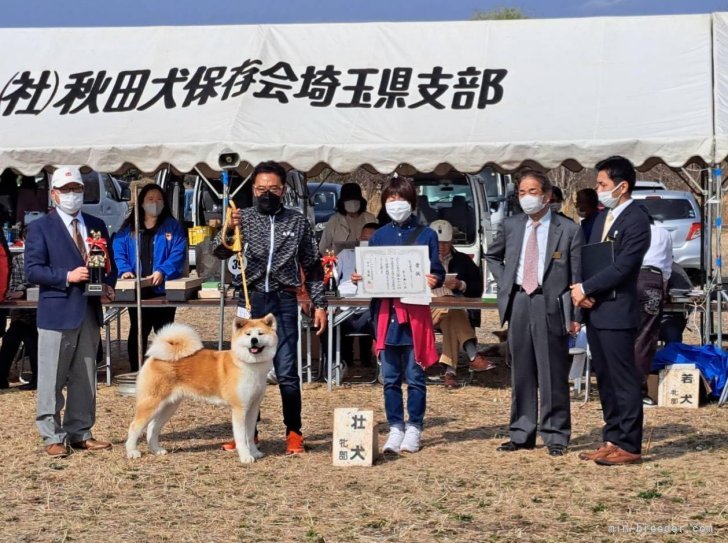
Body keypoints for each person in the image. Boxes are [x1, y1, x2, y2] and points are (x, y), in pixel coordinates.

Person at [213, 161, 327, 455]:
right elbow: (219, 251)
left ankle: (294, 433)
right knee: (245, 370)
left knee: (287, 370)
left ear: (283, 190)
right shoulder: (243, 218)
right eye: (261, 188)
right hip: (249, 299)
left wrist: (319, 303)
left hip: (283, 300)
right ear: (253, 189)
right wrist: (229, 228)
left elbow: (312, 265)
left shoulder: (297, 221)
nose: (267, 193)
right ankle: (248, 433)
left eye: (273, 188)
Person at [485, 170, 583, 457]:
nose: (527, 197)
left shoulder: (568, 230)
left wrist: (576, 314)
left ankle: (555, 433)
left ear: (547, 195)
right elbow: (493, 255)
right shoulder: (512, 225)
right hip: (519, 300)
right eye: (521, 193)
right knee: (521, 369)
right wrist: (505, 280)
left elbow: (577, 274)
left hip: (549, 302)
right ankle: (521, 431)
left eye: (532, 191)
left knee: (552, 370)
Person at [25, 166, 116, 458]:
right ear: (54, 195)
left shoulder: (96, 224)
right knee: (51, 376)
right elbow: (33, 270)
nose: (72, 195)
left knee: (85, 375)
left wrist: (108, 286)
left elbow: (108, 265)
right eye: (66, 190)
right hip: (57, 311)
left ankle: (80, 431)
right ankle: (52, 435)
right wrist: (66, 276)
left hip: (89, 311)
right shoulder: (41, 228)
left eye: (76, 189)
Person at [352, 176, 445, 454]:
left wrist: (433, 279)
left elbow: (438, 271)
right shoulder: (379, 235)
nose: (396, 204)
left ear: (412, 202)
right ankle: (395, 426)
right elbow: (372, 274)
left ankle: (414, 426)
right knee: (390, 378)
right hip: (386, 314)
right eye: (391, 199)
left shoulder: (427, 234)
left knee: (416, 377)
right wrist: (362, 276)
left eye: (401, 198)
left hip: (414, 314)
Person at [571, 156, 651, 466]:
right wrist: (584, 290)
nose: (598, 189)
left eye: (603, 184)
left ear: (622, 185)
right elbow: (592, 258)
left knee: (623, 379)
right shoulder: (604, 218)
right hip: (597, 309)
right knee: (604, 378)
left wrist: (587, 288)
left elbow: (623, 266)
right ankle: (612, 437)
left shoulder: (636, 219)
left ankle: (629, 444)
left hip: (618, 310)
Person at [113, 182, 187, 372]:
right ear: (142, 203)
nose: (155, 203)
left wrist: (163, 270)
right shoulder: (130, 227)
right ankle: (136, 370)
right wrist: (125, 270)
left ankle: (167, 370)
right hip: (138, 289)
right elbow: (119, 249)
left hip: (164, 291)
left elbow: (178, 253)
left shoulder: (173, 226)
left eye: (159, 199)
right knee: (138, 330)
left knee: (165, 332)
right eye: (150, 199)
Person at [429, 219, 494, 389]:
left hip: (453, 307)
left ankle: (450, 373)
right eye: (438, 243)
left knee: (452, 314)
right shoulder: (421, 260)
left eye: (446, 243)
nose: (442, 247)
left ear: (452, 242)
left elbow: (477, 286)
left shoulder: (463, 260)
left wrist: (460, 285)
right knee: (454, 311)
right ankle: (473, 356)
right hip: (427, 309)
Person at [635, 209, 673, 406]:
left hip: (627, 280)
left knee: (622, 336)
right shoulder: (664, 233)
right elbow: (666, 267)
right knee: (645, 338)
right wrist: (663, 289)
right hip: (651, 280)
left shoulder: (627, 229)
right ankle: (639, 392)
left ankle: (620, 389)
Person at [335, 222, 378, 367]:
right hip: (344, 303)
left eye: (371, 239)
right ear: (359, 238)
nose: (366, 242)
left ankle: (371, 360)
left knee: (376, 318)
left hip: (370, 306)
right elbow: (332, 278)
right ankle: (340, 362)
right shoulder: (346, 254)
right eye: (364, 238)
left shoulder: (382, 259)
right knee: (332, 323)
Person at [0, 227, 38, 390]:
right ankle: (2, 378)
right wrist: (25, 289)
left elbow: (47, 283)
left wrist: (23, 290)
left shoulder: (49, 260)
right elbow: (13, 287)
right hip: (22, 313)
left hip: (43, 314)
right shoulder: (18, 260)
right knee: (11, 338)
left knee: (29, 337)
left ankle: (37, 378)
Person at [318, 182, 376, 254]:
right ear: (342, 203)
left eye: (355, 201)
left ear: (361, 202)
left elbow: (379, 242)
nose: (352, 204)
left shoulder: (370, 218)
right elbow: (323, 247)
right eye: (348, 201)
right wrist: (333, 260)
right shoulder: (334, 220)